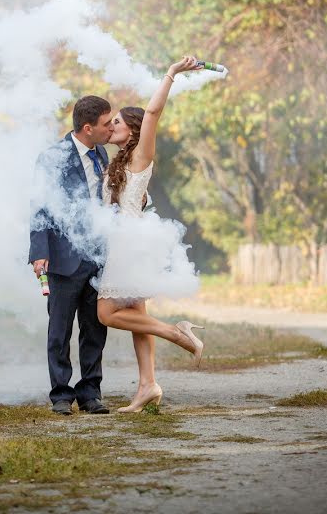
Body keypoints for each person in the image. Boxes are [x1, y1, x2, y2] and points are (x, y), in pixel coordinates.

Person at [97, 55, 205, 413]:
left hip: (127, 245)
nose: (110, 126)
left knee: (107, 314)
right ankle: (147, 385)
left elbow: (154, 113)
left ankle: (178, 333)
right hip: (127, 243)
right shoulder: (116, 161)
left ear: (133, 129)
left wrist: (171, 74)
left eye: (116, 122)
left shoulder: (141, 155)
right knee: (136, 317)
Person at [29, 95, 114, 415]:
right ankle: (61, 394)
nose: (111, 129)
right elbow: (39, 206)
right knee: (60, 330)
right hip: (63, 258)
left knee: (95, 328)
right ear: (88, 127)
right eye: (107, 124)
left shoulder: (102, 153)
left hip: (97, 257)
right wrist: (39, 252)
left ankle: (90, 392)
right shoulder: (52, 157)